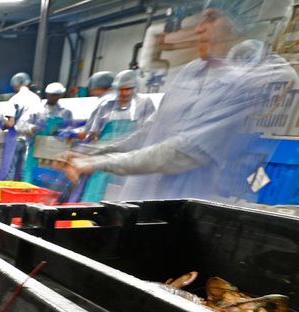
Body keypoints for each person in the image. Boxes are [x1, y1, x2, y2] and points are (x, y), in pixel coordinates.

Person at [62, 0, 297, 203]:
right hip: (142, 201)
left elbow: (185, 153)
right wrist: (95, 152)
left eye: (211, 19)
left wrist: (99, 163)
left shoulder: (261, 78)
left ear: (245, 25)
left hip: (196, 210)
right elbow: (151, 130)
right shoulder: (193, 71)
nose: (199, 29)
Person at [77, 70, 158, 201]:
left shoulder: (144, 103)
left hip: (129, 159)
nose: (124, 93)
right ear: (115, 88)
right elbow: (93, 132)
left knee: (122, 199)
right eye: (121, 89)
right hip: (105, 160)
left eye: (128, 89)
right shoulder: (106, 105)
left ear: (135, 88)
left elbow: (147, 132)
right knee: (96, 196)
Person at [6, 72, 41, 180]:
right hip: (30, 139)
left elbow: (10, 122)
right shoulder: (36, 99)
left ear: (16, 85)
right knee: (24, 171)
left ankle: (8, 195)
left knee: (10, 169)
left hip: (14, 138)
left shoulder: (14, 99)